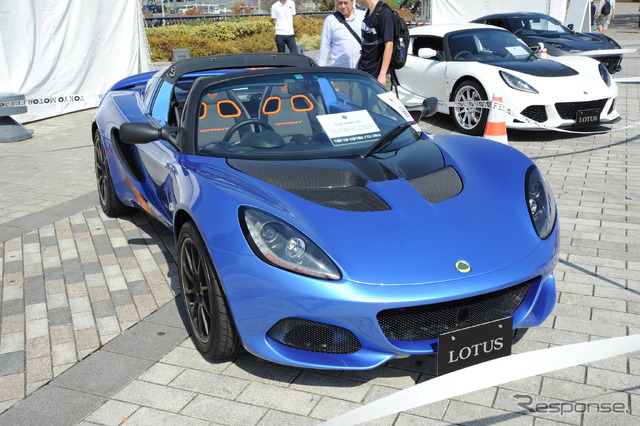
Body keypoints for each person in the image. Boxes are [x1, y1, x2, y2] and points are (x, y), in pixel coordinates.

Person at [317, 0, 366, 68]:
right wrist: (320, 70)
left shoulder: (363, 16)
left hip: (361, 69)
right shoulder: (330, 20)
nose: (343, 6)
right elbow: (324, 47)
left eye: (346, 3)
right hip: (340, 70)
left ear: (353, 2)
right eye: (339, 3)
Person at [357, 0, 394, 86]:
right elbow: (366, 44)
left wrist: (383, 74)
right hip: (363, 72)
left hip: (377, 75)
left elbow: (389, 45)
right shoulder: (369, 12)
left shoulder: (384, 13)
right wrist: (358, 64)